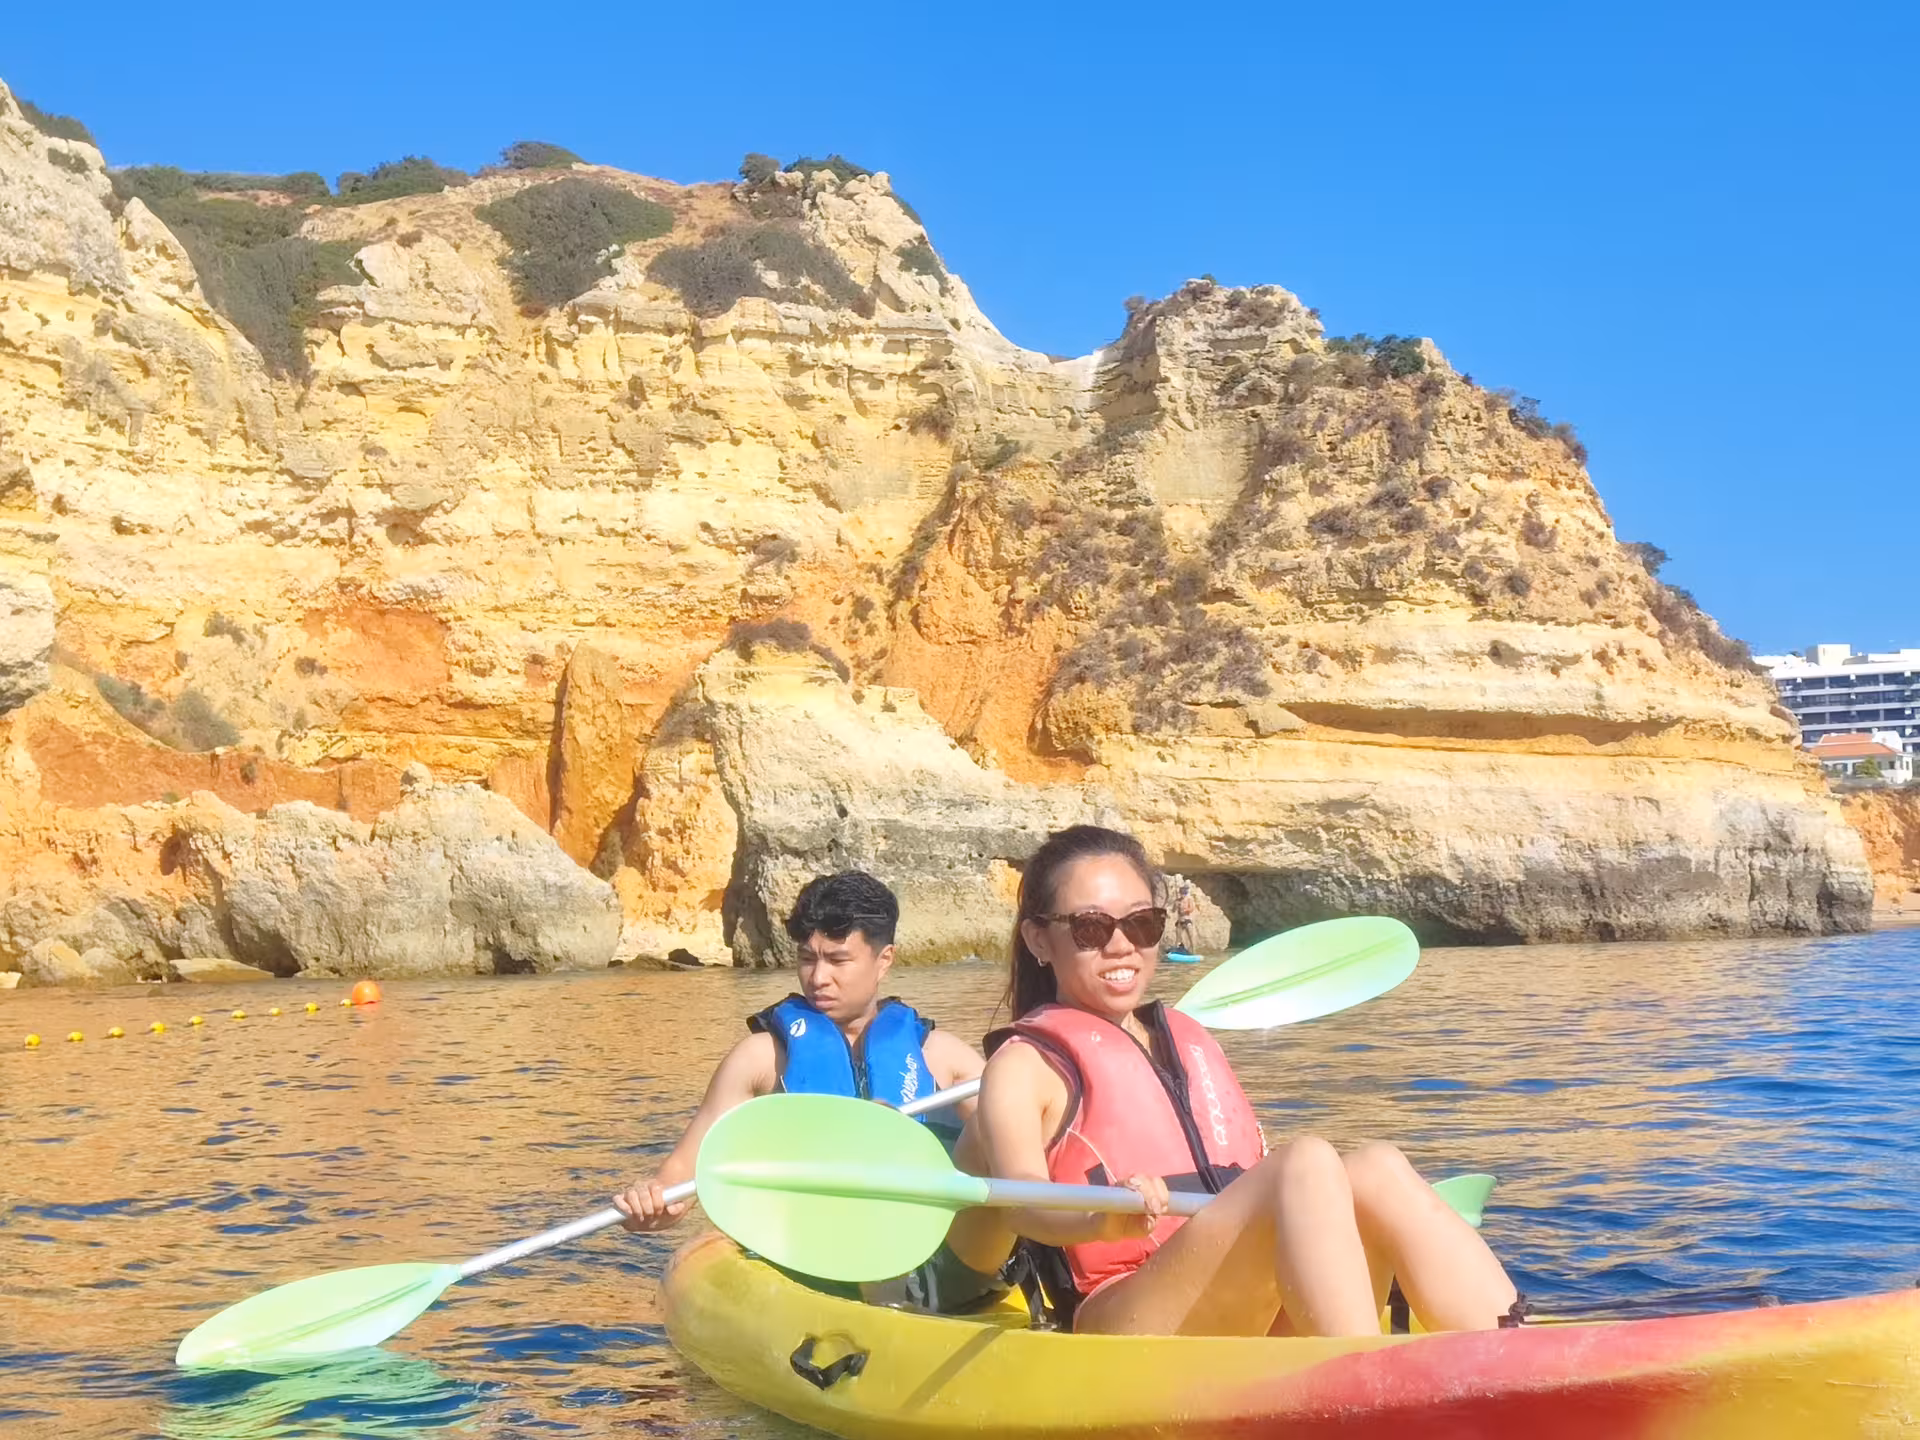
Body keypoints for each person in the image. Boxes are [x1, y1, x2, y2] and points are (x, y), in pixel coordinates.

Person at [947, 825, 1517, 1336]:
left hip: (1235, 1292)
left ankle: (1513, 1345)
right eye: (1091, 927)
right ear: (1040, 939)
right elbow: (1021, 1202)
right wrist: (1099, 1217)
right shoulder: (1023, 1066)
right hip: (1122, 1309)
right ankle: (1362, 1385)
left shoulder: (1184, 1038)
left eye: (1141, 924)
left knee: (1376, 1166)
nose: (1121, 945)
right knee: (1306, 1160)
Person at [612, 870, 1001, 1311]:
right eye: (806, 958)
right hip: (807, 1263)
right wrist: (651, 1200)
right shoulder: (760, 1060)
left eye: (838, 960)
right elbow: (682, 1178)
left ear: (884, 959)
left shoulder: (945, 1059)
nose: (818, 978)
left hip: (927, 1263)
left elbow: (1015, 1151)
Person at [1173, 880, 1199, 954]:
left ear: (1186, 893)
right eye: (1181, 894)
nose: (1182, 895)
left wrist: (1185, 910)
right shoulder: (1177, 901)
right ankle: (1176, 951)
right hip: (1179, 921)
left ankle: (1193, 951)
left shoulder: (1189, 899)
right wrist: (1176, 905)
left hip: (1187, 920)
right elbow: (1173, 910)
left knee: (1191, 937)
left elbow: (1192, 908)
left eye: (1184, 894)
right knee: (1178, 938)